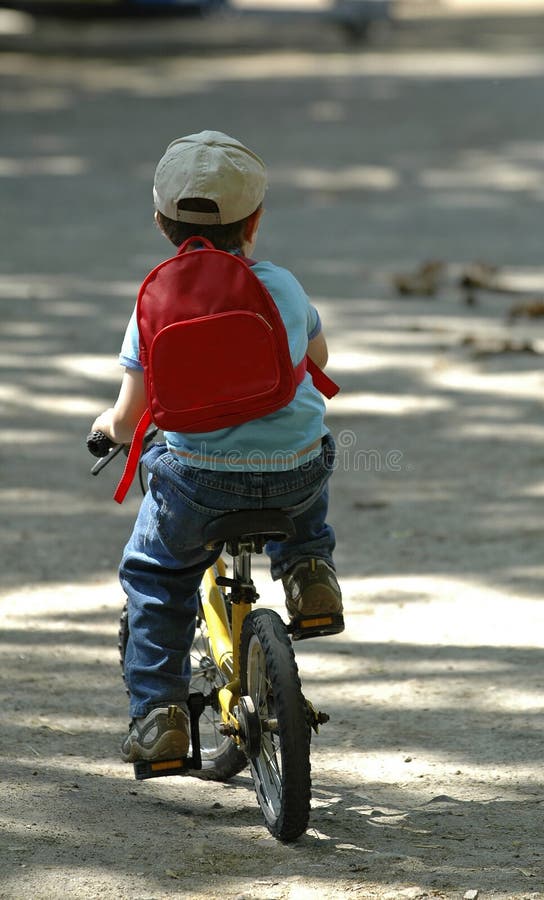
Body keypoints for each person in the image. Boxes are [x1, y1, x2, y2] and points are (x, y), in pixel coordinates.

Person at [90, 130, 343, 764]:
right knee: (313, 449)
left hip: (199, 481)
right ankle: (310, 571)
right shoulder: (282, 285)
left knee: (154, 577)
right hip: (293, 474)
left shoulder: (156, 301)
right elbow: (320, 359)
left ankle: (161, 717)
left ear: (159, 222)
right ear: (254, 222)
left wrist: (106, 430)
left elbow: (130, 416)